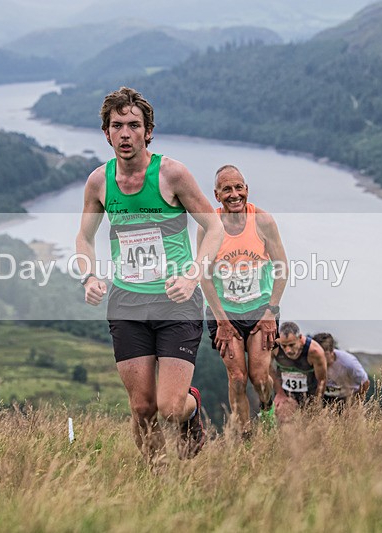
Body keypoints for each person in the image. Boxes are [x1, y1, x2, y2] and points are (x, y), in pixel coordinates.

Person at [76, 86, 224, 465]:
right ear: (106, 133)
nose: (125, 133)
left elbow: (214, 227)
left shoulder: (172, 174)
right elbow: (84, 237)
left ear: (148, 131)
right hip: (126, 300)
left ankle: (193, 413)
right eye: (117, 126)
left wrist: (192, 275)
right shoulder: (99, 182)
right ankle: (157, 478)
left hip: (177, 299)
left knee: (170, 407)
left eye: (133, 125)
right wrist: (90, 277)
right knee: (142, 408)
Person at [198, 165, 288, 436]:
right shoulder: (209, 226)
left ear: (247, 190)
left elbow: (282, 267)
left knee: (260, 377)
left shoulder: (263, 221)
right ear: (217, 195)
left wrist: (272, 311)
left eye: (239, 187)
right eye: (227, 189)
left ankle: (267, 410)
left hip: (261, 310)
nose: (234, 194)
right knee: (237, 378)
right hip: (224, 312)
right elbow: (204, 276)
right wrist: (222, 321)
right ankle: (245, 435)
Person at [272, 321, 328, 422]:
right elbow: (267, 368)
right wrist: (279, 393)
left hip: (310, 392)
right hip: (286, 391)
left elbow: (322, 380)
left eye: (292, 345)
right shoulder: (273, 348)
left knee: (309, 427)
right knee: (285, 423)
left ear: (300, 338)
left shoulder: (315, 352)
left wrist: (316, 404)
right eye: (284, 346)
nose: (288, 350)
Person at [312, 332, 370, 406]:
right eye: (316, 354)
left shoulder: (349, 363)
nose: (318, 357)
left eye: (323, 354)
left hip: (346, 397)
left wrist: (356, 401)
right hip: (325, 395)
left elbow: (365, 382)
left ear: (331, 351)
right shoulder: (311, 359)